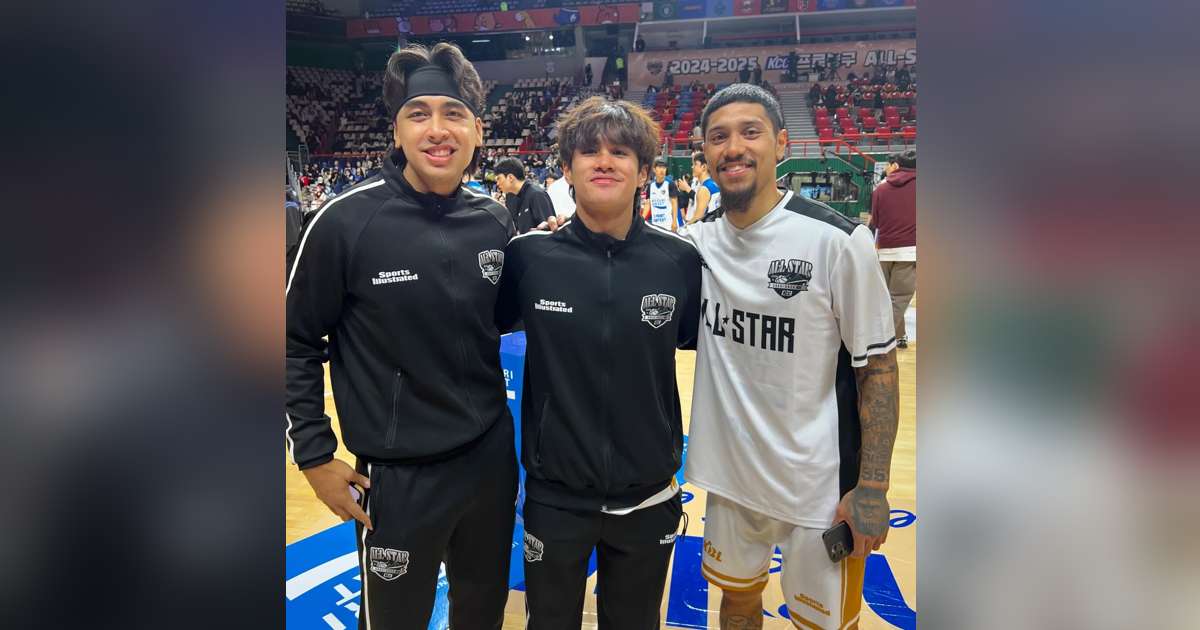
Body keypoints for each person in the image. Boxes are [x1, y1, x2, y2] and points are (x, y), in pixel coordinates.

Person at [286, 42, 518, 630]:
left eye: (453, 113)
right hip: (397, 476)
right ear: (396, 132)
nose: (437, 130)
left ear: (477, 131)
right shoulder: (344, 221)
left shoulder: (494, 219)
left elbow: (512, 320)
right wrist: (313, 454)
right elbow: (292, 340)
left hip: (490, 462)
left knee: (481, 611)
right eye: (420, 114)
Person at [686, 84, 900, 630]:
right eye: (719, 137)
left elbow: (877, 366)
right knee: (735, 604)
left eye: (750, 132)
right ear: (704, 153)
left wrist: (872, 487)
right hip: (732, 482)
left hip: (818, 488)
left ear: (781, 144)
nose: (733, 147)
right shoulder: (694, 244)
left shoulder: (836, 240)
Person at [495, 96, 700, 630]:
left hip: (648, 494)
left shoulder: (678, 261)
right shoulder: (528, 259)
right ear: (567, 169)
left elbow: (694, 343)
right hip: (555, 496)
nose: (604, 161)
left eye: (620, 152)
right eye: (589, 151)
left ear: (644, 171)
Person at [869, 149, 916, 349]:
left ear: (897, 165)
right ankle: (878, 341)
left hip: (884, 250)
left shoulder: (881, 187)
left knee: (885, 299)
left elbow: (875, 221)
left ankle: (900, 335)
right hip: (910, 251)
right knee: (899, 300)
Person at [495, 155, 556, 234]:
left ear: (510, 177)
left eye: (499, 178)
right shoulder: (510, 196)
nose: (497, 183)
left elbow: (549, 232)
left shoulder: (537, 195)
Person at [644, 155, 678, 231]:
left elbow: (674, 203)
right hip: (655, 223)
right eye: (659, 167)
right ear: (654, 169)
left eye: (664, 168)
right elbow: (648, 203)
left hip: (668, 223)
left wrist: (674, 221)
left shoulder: (670, 184)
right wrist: (642, 218)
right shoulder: (650, 185)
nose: (662, 170)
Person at [684, 150, 720, 224]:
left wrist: (685, 227)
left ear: (704, 167)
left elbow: (698, 218)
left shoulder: (704, 189)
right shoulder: (714, 183)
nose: (692, 167)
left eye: (695, 164)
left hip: (706, 230)